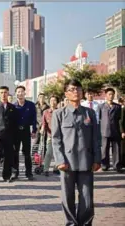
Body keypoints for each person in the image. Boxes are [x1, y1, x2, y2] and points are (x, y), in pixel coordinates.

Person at [52, 79, 101, 226]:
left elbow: (96, 138)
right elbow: (56, 139)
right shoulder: (59, 114)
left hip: (86, 161)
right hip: (67, 163)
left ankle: (85, 223)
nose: (76, 92)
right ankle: (71, 223)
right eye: (72, 89)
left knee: (87, 196)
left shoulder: (90, 113)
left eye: (78, 89)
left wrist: (97, 159)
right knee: (68, 197)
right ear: (66, 93)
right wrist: (60, 161)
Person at [13, 86, 37, 180]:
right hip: (16, 131)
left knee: (27, 153)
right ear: (16, 94)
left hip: (26, 130)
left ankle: (29, 173)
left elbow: (34, 118)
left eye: (22, 91)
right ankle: (15, 172)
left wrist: (34, 130)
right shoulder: (13, 106)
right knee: (15, 153)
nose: (20, 93)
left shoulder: (30, 105)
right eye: (18, 92)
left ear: (25, 93)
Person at [98, 88, 122, 172]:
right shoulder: (101, 106)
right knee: (105, 149)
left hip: (115, 130)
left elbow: (119, 119)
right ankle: (105, 165)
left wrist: (121, 131)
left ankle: (117, 166)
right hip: (105, 130)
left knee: (116, 149)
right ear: (106, 95)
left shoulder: (118, 106)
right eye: (109, 94)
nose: (111, 96)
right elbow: (99, 118)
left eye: (112, 94)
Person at [41, 95, 60, 176]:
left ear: (57, 102)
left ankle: (56, 168)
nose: (53, 102)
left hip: (60, 136)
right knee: (49, 153)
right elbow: (44, 123)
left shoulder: (60, 111)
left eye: (54, 100)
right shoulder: (46, 112)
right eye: (51, 100)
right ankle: (46, 169)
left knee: (58, 153)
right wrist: (42, 129)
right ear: (49, 102)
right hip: (50, 136)